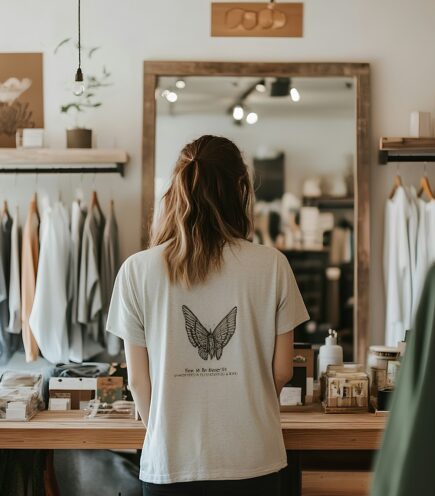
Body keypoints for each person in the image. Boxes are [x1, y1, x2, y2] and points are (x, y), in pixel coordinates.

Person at [106, 135, 309, 496]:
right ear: (241, 190)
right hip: (254, 460)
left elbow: (138, 382)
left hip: (170, 465)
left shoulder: (136, 270)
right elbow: (282, 371)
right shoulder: (273, 266)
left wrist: (166, 430)